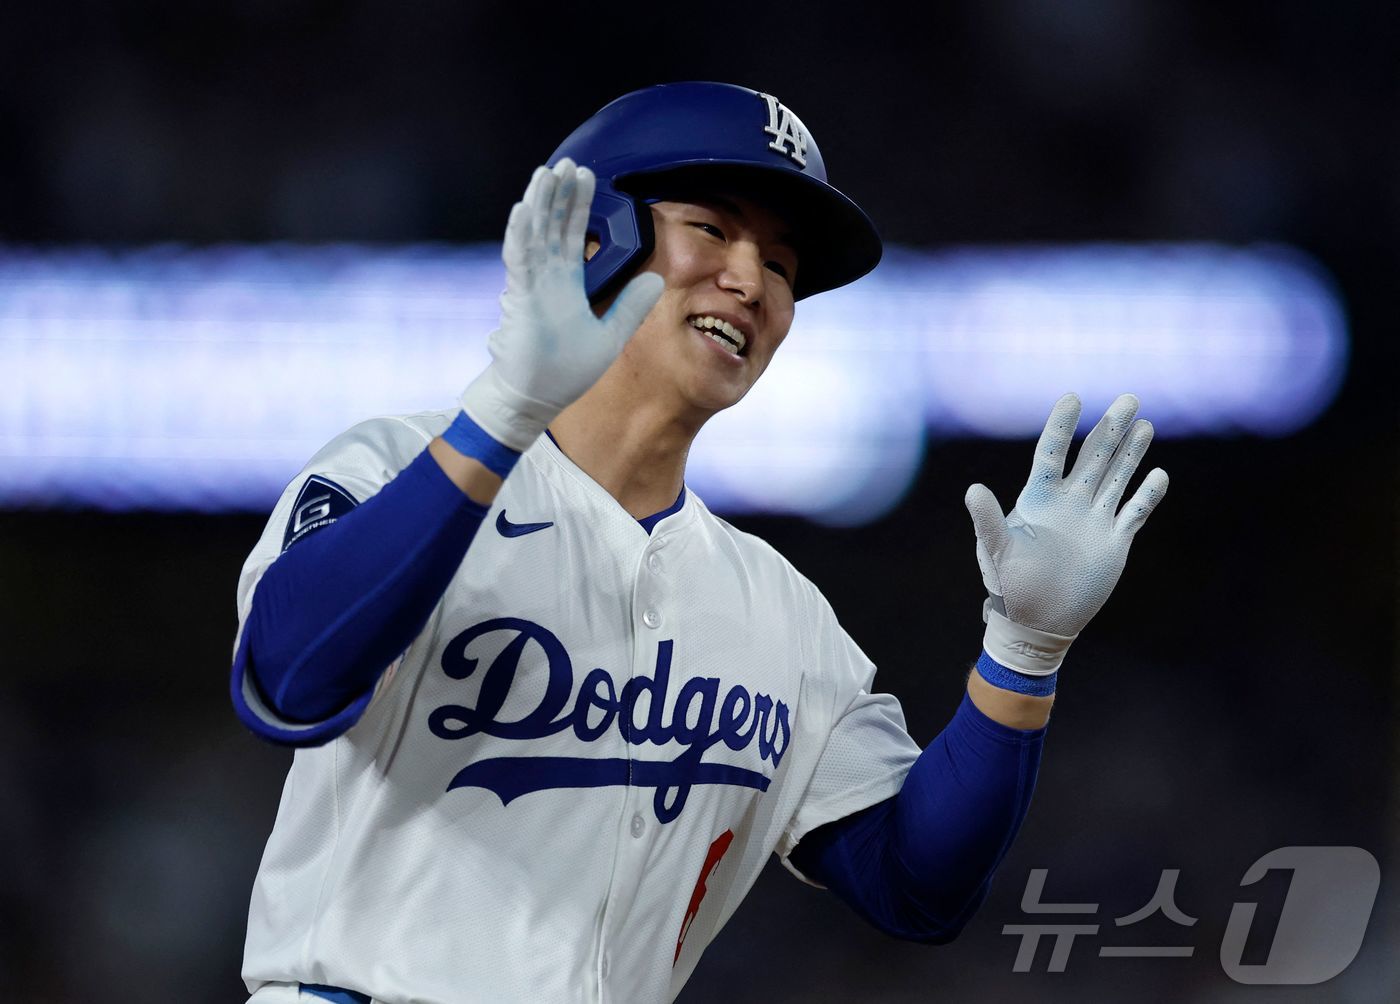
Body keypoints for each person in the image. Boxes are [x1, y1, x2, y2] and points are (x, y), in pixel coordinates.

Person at [229, 81, 1167, 1004]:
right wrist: (503, 414)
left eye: (785, 267)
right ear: (595, 234)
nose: (752, 283)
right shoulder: (397, 465)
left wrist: (1023, 653)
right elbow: (293, 678)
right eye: (712, 229)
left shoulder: (778, 610)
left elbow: (914, 884)